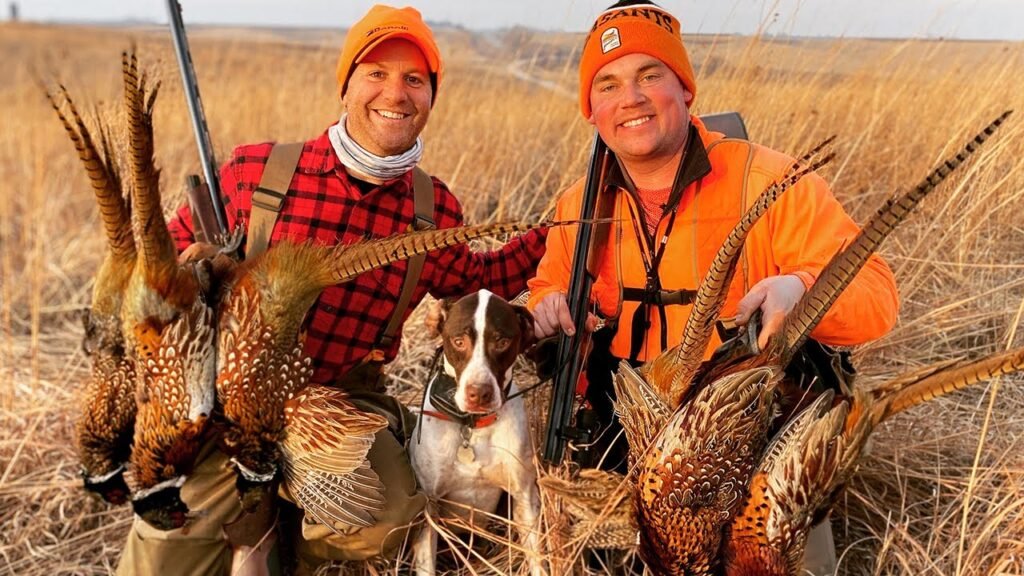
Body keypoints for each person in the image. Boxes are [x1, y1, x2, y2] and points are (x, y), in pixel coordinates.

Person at [116, 5, 546, 575]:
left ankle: (286, 532)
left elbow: (483, 289)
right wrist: (192, 276)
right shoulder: (256, 171)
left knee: (391, 516)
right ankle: (251, 515)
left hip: (341, 403)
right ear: (346, 86)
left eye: (415, 80)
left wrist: (567, 225)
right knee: (166, 560)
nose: (396, 93)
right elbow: (150, 278)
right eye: (376, 73)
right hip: (229, 405)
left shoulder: (432, 210)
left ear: (430, 98)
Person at [526, 1, 899, 574]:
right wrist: (545, 307)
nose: (631, 98)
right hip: (631, 442)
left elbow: (876, 294)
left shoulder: (772, 181)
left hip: (755, 445)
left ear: (685, 89)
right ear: (591, 109)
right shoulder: (577, 208)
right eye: (608, 84)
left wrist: (801, 292)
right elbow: (547, 288)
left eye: (651, 76)